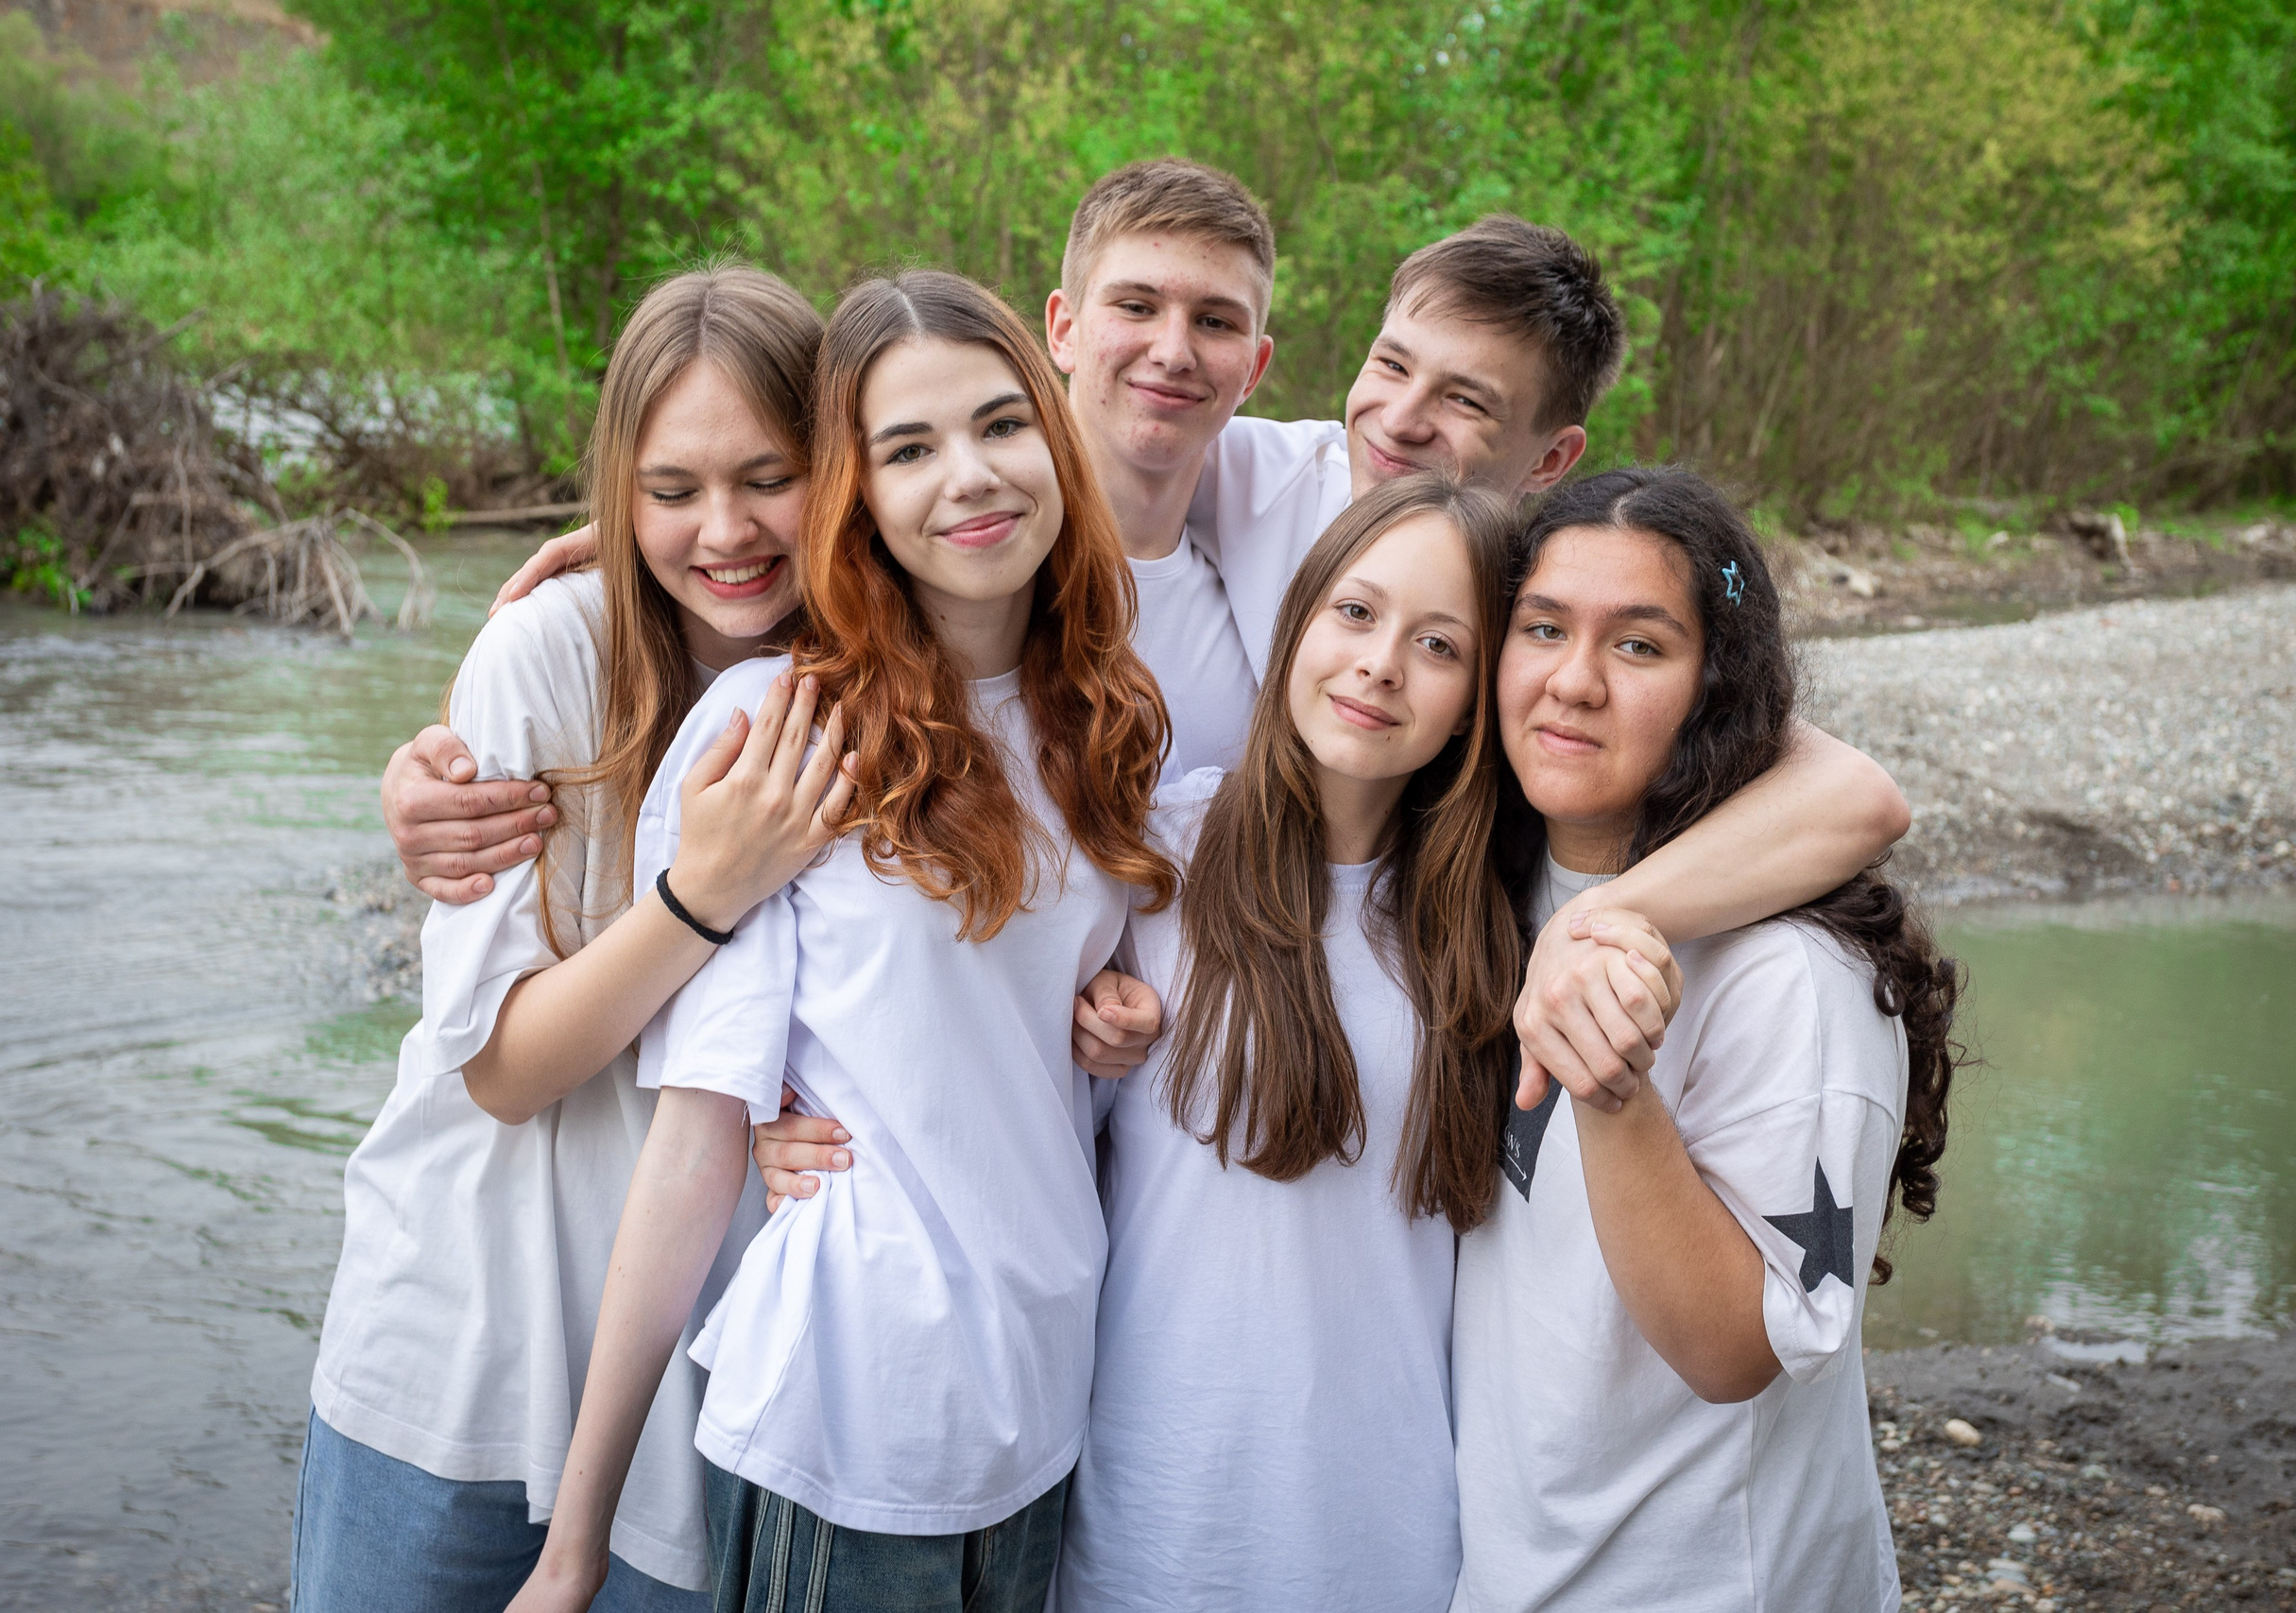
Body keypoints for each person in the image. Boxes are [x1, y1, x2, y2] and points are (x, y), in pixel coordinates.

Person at [393, 180, 1908, 1100]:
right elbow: (891, 466)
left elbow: (1853, 797)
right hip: (1051, 1109)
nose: (1404, 420)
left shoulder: (1444, 541)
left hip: (1351, 1050)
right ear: (1064, 324)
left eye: (1465, 406)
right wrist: (681, 534)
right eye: (1391, 368)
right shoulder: (1171, 477)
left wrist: (1608, 917)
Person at [502, 269, 1176, 1613]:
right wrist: (572, 1547)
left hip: (1044, 1391)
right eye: (909, 448)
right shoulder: (784, 729)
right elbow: (696, 1139)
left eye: (1001, 424)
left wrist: (1117, 1021)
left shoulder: (1104, 711)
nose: (972, 477)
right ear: (856, 493)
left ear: (1058, 431)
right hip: (852, 1410)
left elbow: (1003, 1042)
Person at [295, 265, 855, 1611]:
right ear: (619, 488)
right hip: (463, 1347)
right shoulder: (547, 651)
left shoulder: (882, 676)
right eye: (670, 491)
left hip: (692, 1368)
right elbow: (501, 1067)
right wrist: (701, 898)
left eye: (767, 476)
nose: (724, 529)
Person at [1453, 467, 1965, 1611]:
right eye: (1541, 628)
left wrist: (1613, 1089)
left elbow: (1737, 1349)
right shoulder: (1494, 884)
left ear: (1716, 691)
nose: (1572, 682)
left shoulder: (1790, 975)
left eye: (1639, 647)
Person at [1055, 474, 1541, 1612]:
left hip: (1389, 1537)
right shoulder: (1156, 857)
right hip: (1155, 1524)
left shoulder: (1493, 923)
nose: (1380, 664)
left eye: (1438, 644)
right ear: (1298, 624)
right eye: (1356, 614)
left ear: (1478, 698)